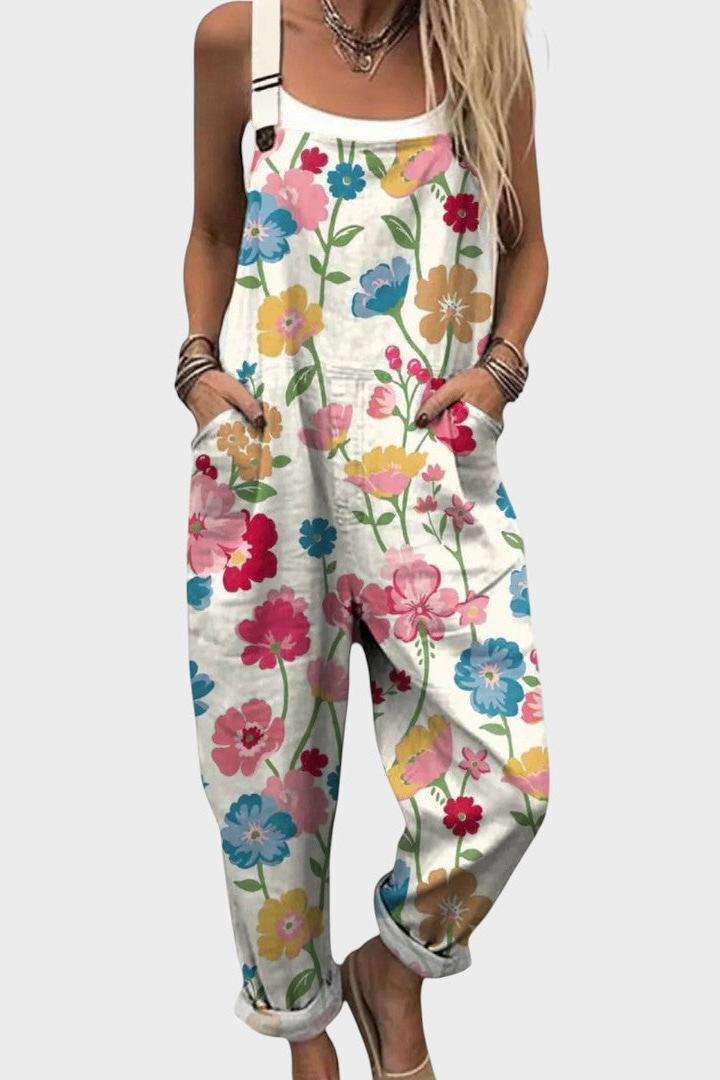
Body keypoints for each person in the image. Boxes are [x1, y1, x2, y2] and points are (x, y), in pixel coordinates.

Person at [180, 2, 549, 1076]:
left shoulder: (482, 51)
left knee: (509, 780)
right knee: (267, 781)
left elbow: (526, 246)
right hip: (266, 465)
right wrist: (196, 369)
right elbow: (214, 231)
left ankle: (393, 969)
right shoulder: (241, 41)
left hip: (423, 466)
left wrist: (499, 372)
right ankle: (305, 1037)